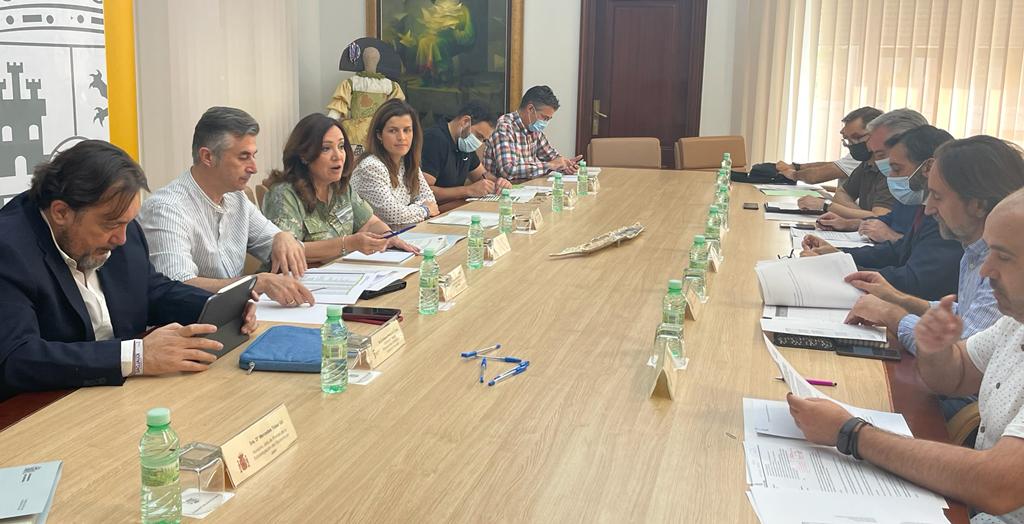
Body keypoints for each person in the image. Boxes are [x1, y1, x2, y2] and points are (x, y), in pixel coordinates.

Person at [787, 187, 1024, 523]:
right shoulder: (1015, 323)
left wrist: (851, 433)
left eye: (1003, 257)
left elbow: (998, 484)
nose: (985, 270)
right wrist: (935, 348)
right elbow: (955, 376)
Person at [0, 141, 256, 399]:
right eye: (111, 225)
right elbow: (16, 358)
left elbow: (150, 290)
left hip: (123, 394)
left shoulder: (119, 223)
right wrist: (136, 356)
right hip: (45, 405)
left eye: (127, 223)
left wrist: (222, 307)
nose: (122, 239)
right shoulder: (8, 248)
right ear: (61, 212)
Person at [138, 106, 314, 307]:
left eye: (254, 155)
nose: (254, 168)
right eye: (243, 157)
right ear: (208, 157)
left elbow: (273, 242)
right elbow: (178, 286)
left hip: (234, 316)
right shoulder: (166, 209)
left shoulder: (236, 198)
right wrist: (254, 283)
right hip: (188, 321)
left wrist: (282, 236)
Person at [801, 128, 963, 302]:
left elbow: (912, 281)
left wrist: (835, 268)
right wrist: (839, 255)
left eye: (896, 169)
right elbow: (896, 251)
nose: (890, 176)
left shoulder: (949, 216)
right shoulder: (920, 203)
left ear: (928, 167)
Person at [261, 113, 419, 264]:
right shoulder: (284, 194)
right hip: (297, 278)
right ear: (304, 155)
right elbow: (289, 250)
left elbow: (370, 223)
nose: (338, 156)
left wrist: (389, 236)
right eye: (326, 148)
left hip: (341, 273)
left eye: (341, 146)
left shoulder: (340, 188)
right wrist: (347, 244)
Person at [803, 109, 929, 227]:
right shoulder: (872, 164)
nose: (879, 161)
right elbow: (885, 226)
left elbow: (880, 219)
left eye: (881, 154)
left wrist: (828, 206)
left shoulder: (905, 181)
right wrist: (851, 223)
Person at [350, 98, 439, 229]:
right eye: (393, 131)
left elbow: (430, 199)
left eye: (407, 130)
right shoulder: (371, 166)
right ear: (379, 135)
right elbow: (393, 216)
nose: (402, 137)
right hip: (372, 238)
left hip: (401, 233)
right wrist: (424, 210)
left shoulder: (406, 161)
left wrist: (414, 209)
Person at [483, 85, 582, 182]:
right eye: (545, 118)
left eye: (548, 119)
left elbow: (552, 157)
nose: (545, 122)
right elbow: (508, 170)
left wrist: (565, 165)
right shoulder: (505, 127)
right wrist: (550, 165)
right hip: (499, 189)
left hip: (525, 187)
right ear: (530, 109)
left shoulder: (534, 129)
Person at [421, 101, 512, 204]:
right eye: (479, 136)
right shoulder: (434, 140)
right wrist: (468, 190)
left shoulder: (464, 144)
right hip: (434, 209)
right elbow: (424, 192)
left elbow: (481, 175)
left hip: (454, 206)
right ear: (465, 122)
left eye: (484, 140)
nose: (479, 143)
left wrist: (499, 182)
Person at [776, 106, 882, 184]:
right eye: (848, 139)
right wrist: (797, 167)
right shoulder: (863, 159)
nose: (852, 144)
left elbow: (816, 176)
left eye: (856, 137)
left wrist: (793, 174)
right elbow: (836, 166)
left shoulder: (868, 157)